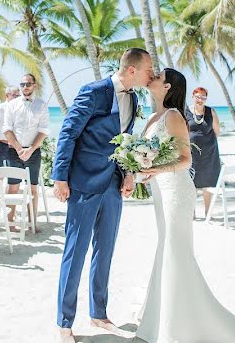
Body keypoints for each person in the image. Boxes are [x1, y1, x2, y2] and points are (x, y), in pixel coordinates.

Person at [136, 68, 235, 343]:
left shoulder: (174, 116)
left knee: (174, 251)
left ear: (167, 86)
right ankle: (163, 316)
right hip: (160, 190)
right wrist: (140, 168)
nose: (151, 76)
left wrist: (154, 169)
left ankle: (177, 324)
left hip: (176, 192)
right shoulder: (153, 117)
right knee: (165, 248)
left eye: (157, 75)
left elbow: (185, 160)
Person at [52, 49, 149, 343]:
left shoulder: (133, 98)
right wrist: (59, 177)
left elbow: (126, 140)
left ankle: (99, 314)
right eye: (148, 69)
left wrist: (130, 173)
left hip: (114, 183)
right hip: (83, 181)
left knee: (105, 250)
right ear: (132, 70)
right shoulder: (94, 91)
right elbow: (68, 132)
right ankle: (64, 323)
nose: (151, 74)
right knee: (76, 251)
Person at [2, 74, 49, 230]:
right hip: (13, 151)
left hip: (33, 152)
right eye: (22, 84)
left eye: (28, 84)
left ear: (34, 85)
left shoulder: (41, 105)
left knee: (32, 187)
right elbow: (7, 129)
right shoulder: (12, 105)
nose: (25, 87)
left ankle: (32, 223)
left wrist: (31, 149)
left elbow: (43, 131)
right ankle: (10, 222)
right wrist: (19, 148)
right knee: (13, 186)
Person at [185, 87, 222, 218]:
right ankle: (192, 212)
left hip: (209, 153)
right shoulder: (186, 112)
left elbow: (217, 131)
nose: (200, 100)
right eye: (198, 97)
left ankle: (207, 212)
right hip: (192, 154)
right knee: (191, 183)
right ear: (193, 97)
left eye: (203, 97)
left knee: (208, 184)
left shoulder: (211, 111)